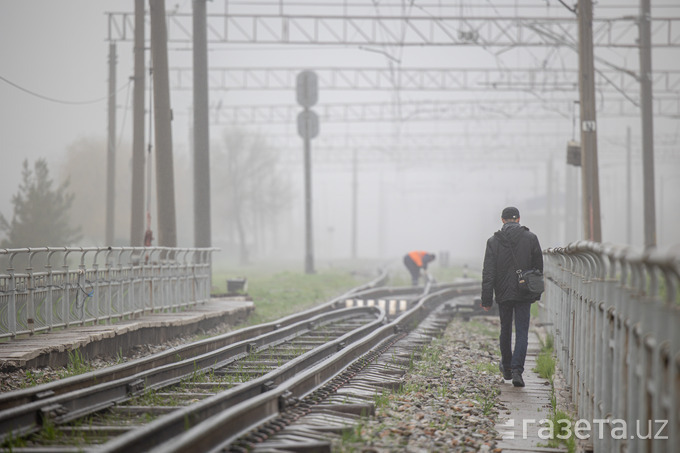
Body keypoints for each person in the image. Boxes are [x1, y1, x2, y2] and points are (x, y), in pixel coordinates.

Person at [481, 207, 543, 387]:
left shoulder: (493, 241)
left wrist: (486, 299)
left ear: (502, 220)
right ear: (518, 219)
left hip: (503, 292)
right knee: (522, 331)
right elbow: (538, 268)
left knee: (505, 329)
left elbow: (488, 272)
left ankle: (506, 367)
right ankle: (517, 370)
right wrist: (535, 293)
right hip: (524, 293)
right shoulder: (531, 238)